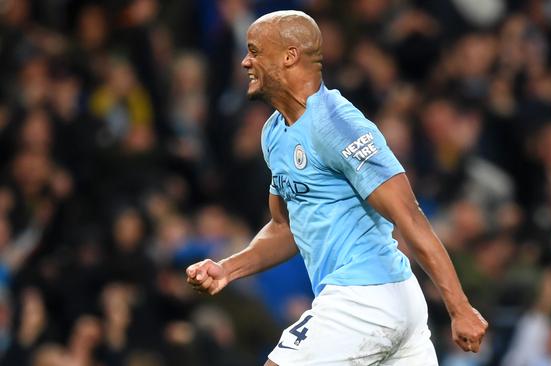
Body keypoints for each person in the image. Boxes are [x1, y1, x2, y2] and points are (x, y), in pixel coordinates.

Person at [186, 10, 487, 365]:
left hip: (363, 299)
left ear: (289, 56)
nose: (245, 61)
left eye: (254, 51)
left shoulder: (337, 124)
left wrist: (459, 307)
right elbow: (286, 226)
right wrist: (228, 269)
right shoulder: (274, 133)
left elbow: (408, 215)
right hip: (387, 304)